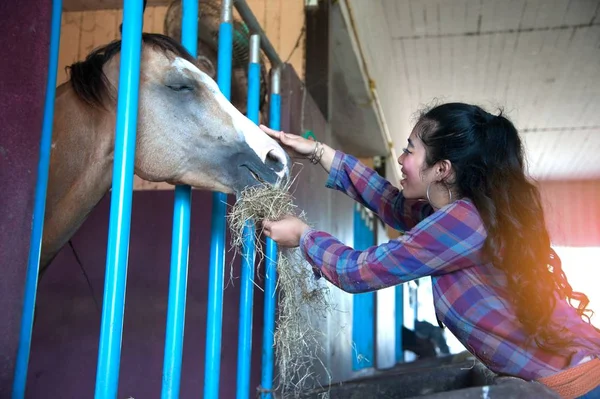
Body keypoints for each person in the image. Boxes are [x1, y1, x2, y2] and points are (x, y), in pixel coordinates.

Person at [258, 102, 600, 399]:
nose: (402, 159)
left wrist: (305, 236)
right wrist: (319, 153)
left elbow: (357, 272)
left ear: (442, 169)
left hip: (579, 384)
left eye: (410, 150)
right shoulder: (466, 213)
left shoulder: (464, 222)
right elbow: (393, 204)